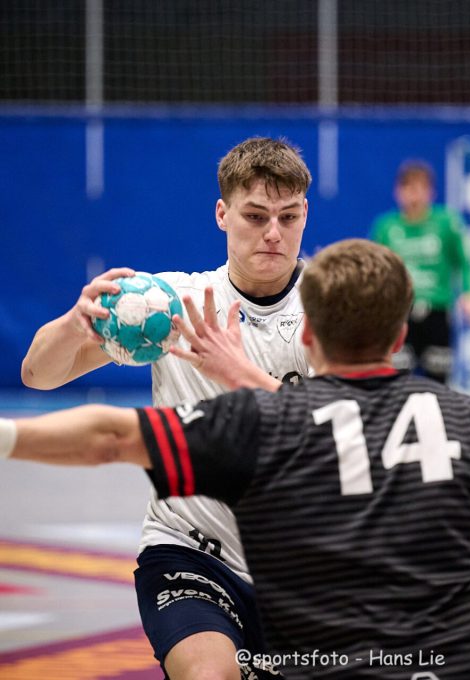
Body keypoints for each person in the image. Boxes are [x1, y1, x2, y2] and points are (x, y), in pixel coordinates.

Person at [8, 238, 470, 680]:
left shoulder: (270, 424)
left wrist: (9, 436)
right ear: (400, 334)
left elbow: (109, 436)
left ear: (307, 333)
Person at [20, 136, 312, 679]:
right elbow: (38, 374)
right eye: (255, 216)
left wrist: (241, 375)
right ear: (222, 214)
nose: (273, 233)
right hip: (190, 552)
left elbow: (347, 433)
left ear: (305, 215)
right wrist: (74, 324)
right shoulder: (170, 305)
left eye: (287, 217)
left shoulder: (333, 310)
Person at [370, 160, 470, 384]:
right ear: (398, 192)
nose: (415, 195)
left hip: (437, 313)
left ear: (431, 192)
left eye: (421, 188)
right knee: (396, 382)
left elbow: (465, 262)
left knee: (437, 381)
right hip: (400, 314)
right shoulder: (386, 227)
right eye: (409, 188)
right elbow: (375, 270)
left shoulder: (447, 223)